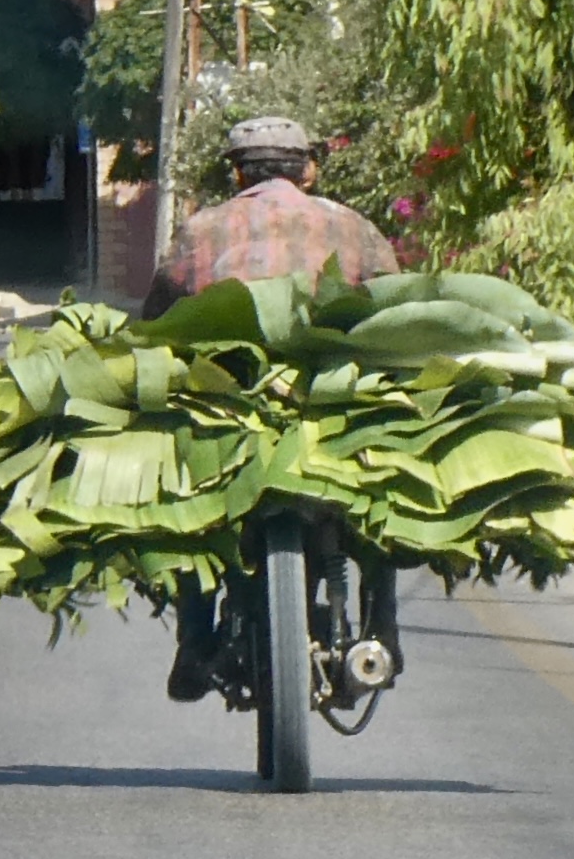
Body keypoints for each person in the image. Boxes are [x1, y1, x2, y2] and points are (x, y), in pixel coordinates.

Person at [143, 116, 403, 701]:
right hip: (331, 398)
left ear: (238, 175)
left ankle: (193, 639)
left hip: (229, 404)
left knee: (188, 501)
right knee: (386, 477)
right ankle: (384, 627)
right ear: (307, 170)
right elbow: (391, 306)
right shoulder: (352, 227)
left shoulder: (201, 231)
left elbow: (157, 318)